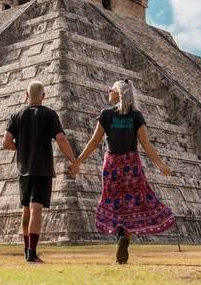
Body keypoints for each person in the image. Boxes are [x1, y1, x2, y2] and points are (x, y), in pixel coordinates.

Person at [70, 79, 174, 264]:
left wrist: (78, 161)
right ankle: (125, 237)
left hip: (112, 165)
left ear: (117, 93)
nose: (107, 92)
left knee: (114, 203)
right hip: (131, 165)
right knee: (131, 204)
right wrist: (160, 164)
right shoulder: (136, 116)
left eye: (110, 89)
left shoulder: (106, 115)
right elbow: (145, 143)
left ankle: (120, 236)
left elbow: (94, 142)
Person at [3, 81, 76, 263]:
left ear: (26, 94)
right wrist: (73, 159)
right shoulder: (50, 115)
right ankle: (32, 252)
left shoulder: (16, 115)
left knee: (26, 210)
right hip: (42, 168)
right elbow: (60, 138)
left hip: (23, 168)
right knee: (36, 209)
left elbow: (6, 143)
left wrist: (21, 148)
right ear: (44, 96)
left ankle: (26, 249)